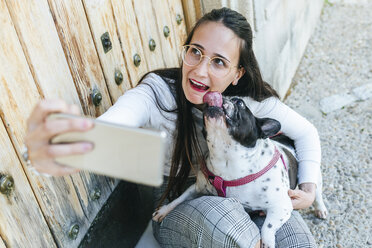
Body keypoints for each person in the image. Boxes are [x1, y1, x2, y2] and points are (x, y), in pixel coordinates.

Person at [24, 7, 320, 248]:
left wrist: (308, 188)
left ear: (237, 72)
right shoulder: (157, 95)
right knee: (230, 221)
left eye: (219, 62)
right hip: (178, 206)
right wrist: (60, 143)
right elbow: (111, 125)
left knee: (297, 240)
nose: (200, 70)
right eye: (195, 52)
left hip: (246, 195)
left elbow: (306, 133)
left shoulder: (245, 107)